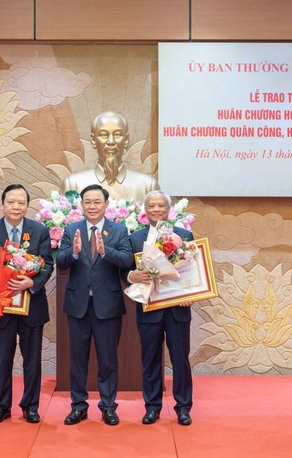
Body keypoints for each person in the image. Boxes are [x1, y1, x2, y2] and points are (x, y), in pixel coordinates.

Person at [56, 184, 133, 425]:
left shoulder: (119, 230)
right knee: (77, 360)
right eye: (87, 202)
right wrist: (75, 252)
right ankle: (78, 406)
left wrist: (105, 251)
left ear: (106, 204)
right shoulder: (71, 230)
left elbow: (127, 259)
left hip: (107, 305)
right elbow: (61, 263)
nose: (92, 206)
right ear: (81, 205)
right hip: (78, 305)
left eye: (97, 202)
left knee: (108, 360)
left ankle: (108, 406)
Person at [0, 184, 54, 424]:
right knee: (3, 358)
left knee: (32, 360)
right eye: (11, 202)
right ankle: (1, 406)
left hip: (31, 305)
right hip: (2, 306)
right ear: (2, 204)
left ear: (27, 206)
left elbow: (48, 265)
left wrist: (30, 284)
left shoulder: (40, 230)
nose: (16, 206)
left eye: (21, 202)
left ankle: (30, 406)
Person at [124, 190, 194, 426]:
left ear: (168, 209)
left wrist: (190, 294)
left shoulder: (184, 235)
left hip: (178, 308)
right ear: (145, 210)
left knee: (180, 359)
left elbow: (192, 271)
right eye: (151, 206)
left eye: (160, 206)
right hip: (150, 308)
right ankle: (152, 406)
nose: (156, 210)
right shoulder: (135, 239)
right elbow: (127, 271)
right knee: (151, 359)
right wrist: (133, 276)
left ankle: (183, 407)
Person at [61, 110, 160, 202]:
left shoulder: (148, 186)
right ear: (93, 140)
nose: (111, 142)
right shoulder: (72, 185)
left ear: (126, 140)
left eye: (117, 135)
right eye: (104, 135)